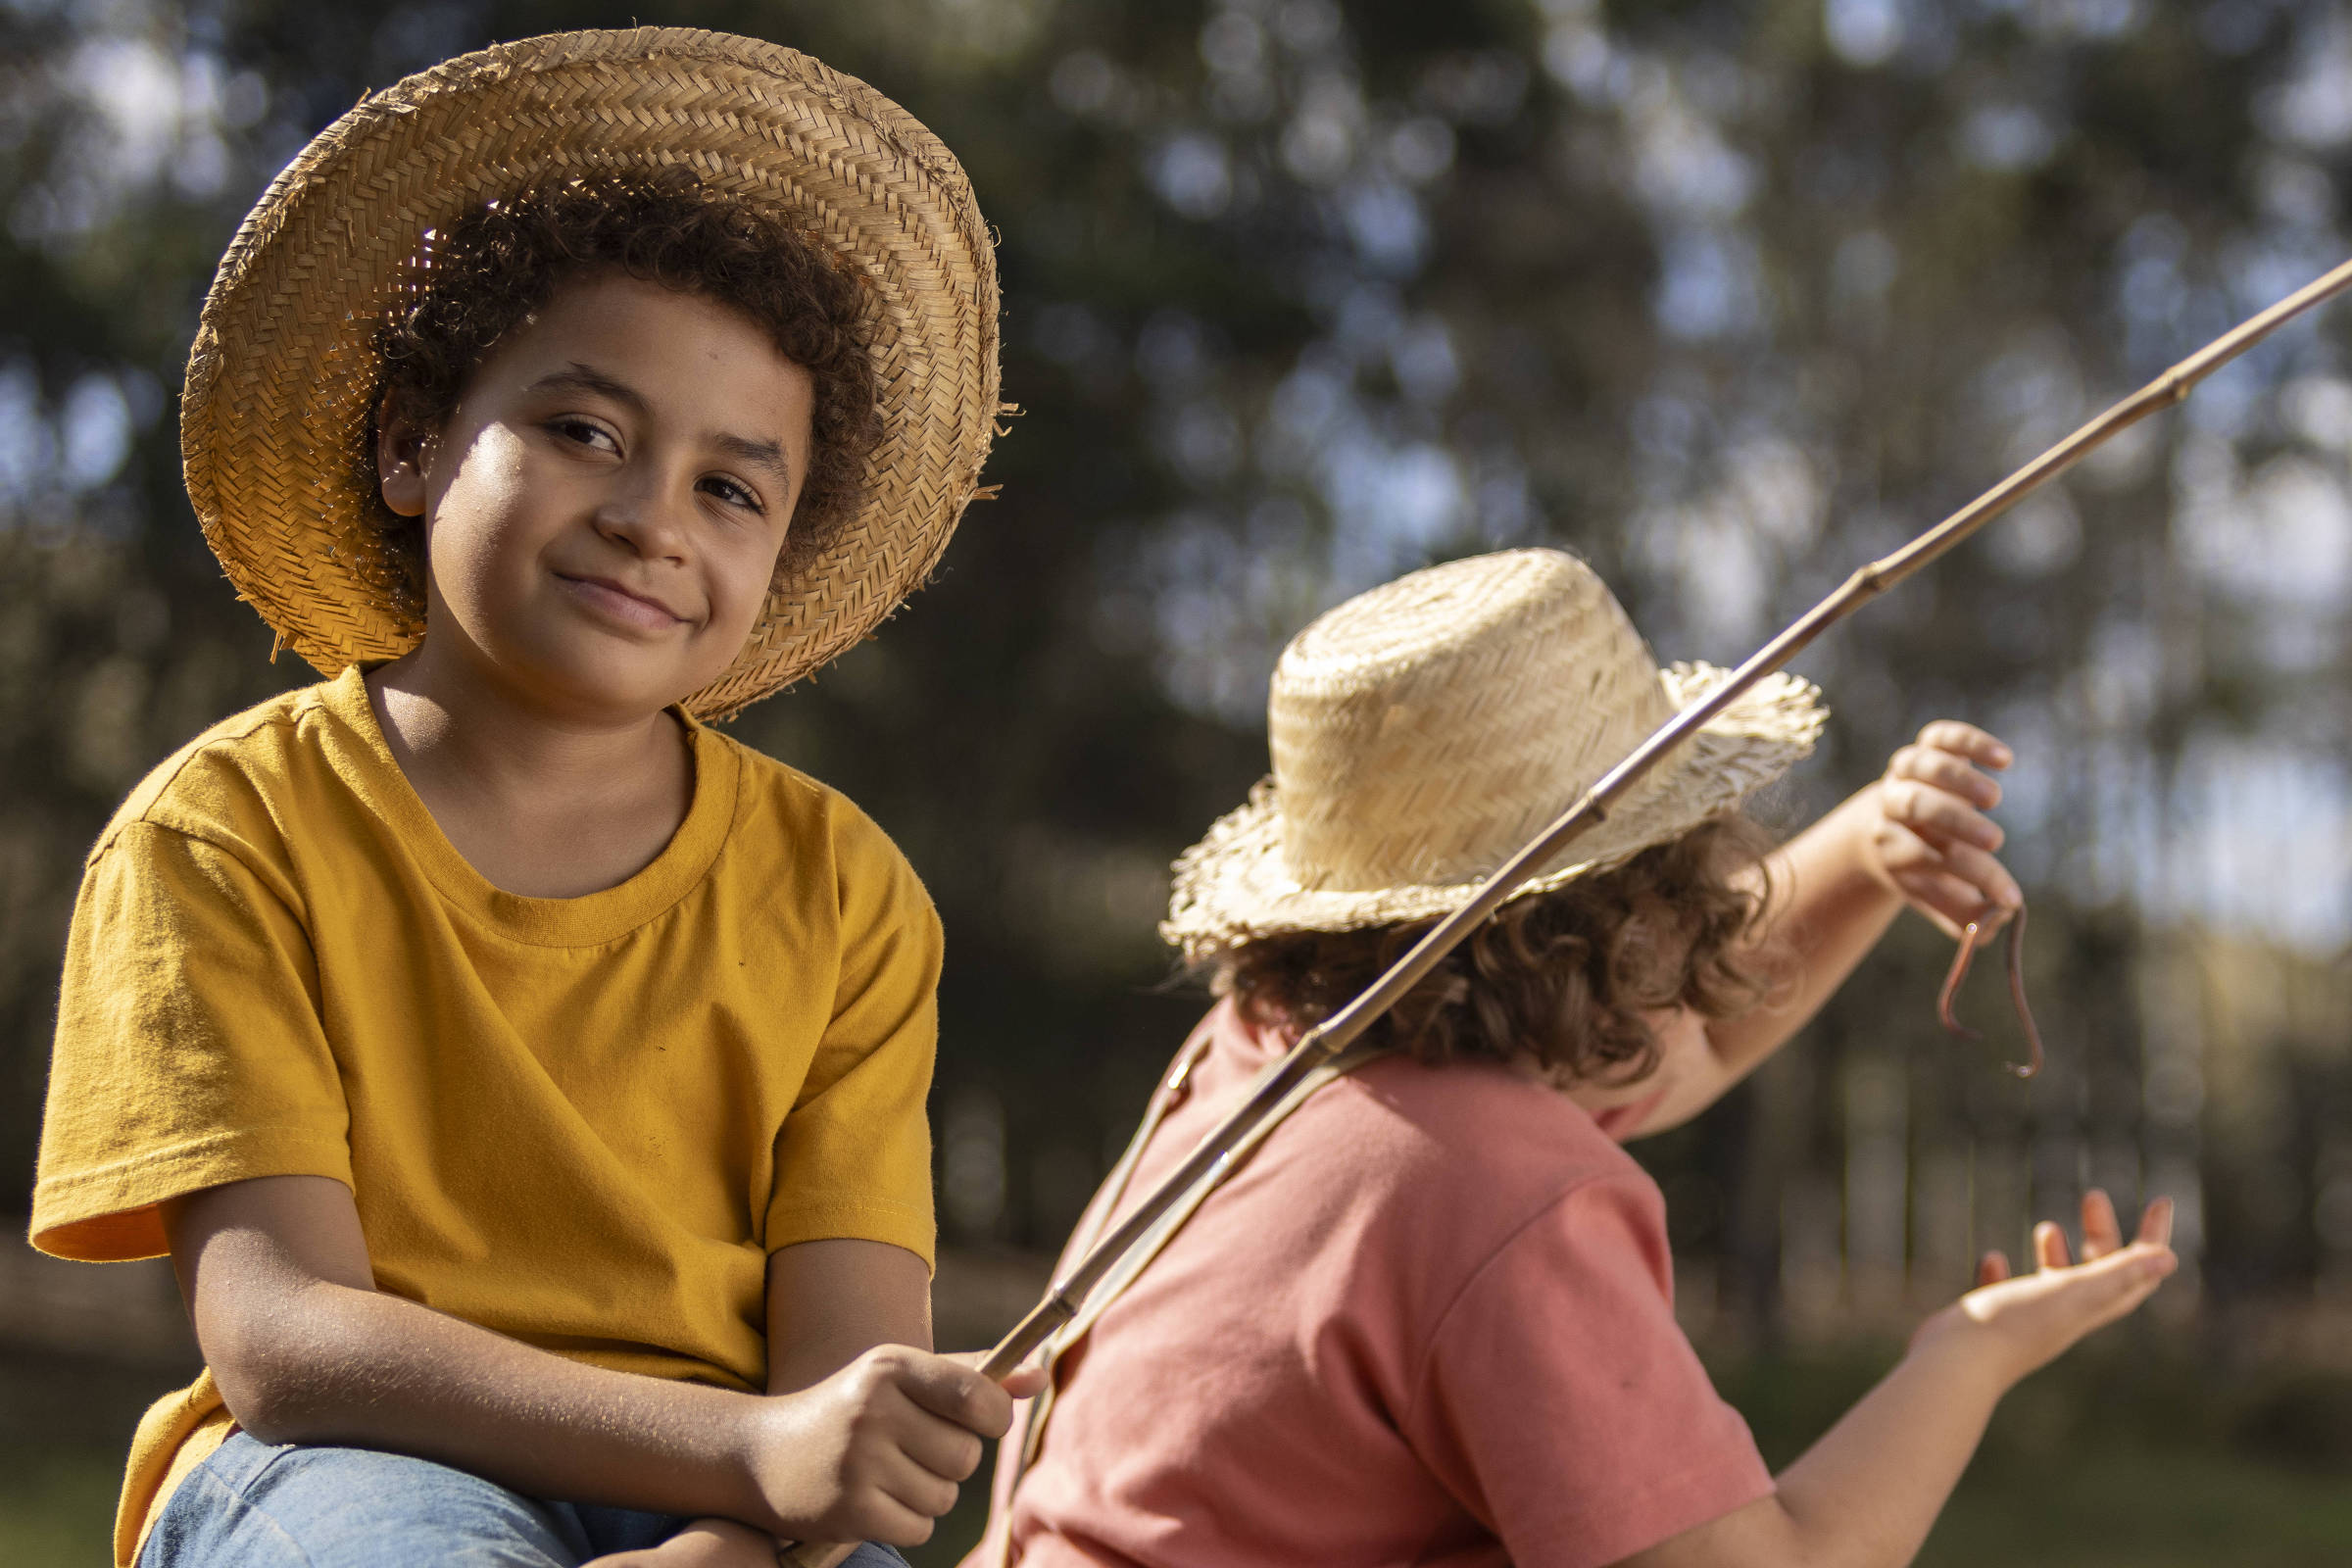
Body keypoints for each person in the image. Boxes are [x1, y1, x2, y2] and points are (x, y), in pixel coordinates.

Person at [29, 29, 1037, 1568]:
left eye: (729, 486)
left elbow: (837, 1394)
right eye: (584, 433)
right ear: (414, 445)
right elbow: (281, 1338)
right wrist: (755, 1454)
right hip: (345, 1466)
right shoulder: (224, 832)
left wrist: (732, 1536)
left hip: (737, 1509)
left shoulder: (844, 892)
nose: (649, 519)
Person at [969, 548, 2177, 1568]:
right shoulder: (1494, 1190)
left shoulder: (1268, 1055)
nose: (1713, 936)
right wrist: (1968, 1349)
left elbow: (1670, 1051)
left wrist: (1864, 851)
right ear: (1630, 921)